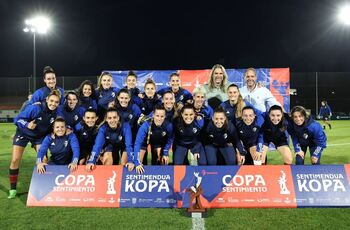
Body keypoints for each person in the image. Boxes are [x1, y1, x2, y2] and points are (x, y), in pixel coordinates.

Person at [8, 90, 61, 199]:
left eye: (56, 102)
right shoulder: (35, 108)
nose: (53, 104)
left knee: (44, 160)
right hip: (23, 133)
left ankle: (41, 187)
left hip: (39, 137)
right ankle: (13, 189)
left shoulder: (56, 113)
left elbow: (57, 124)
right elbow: (17, 119)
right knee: (15, 160)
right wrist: (27, 124)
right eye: (51, 101)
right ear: (47, 100)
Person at [134, 105, 173, 173]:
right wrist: (137, 163)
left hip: (158, 142)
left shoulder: (168, 125)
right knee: (138, 164)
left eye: (162, 116)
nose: (159, 119)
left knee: (163, 160)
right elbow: (138, 143)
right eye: (157, 116)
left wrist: (165, 152)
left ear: (165, 116)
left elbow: (170, 139)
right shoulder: (145, 125)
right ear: (153, 115)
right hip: (144, 141)